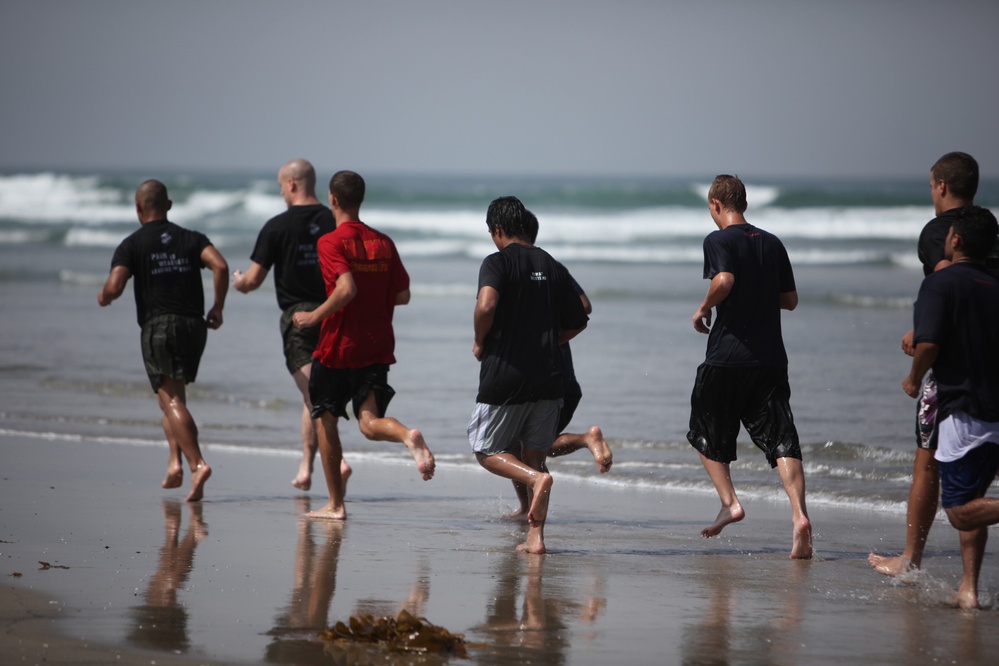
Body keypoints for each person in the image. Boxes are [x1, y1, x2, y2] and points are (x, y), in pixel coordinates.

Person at [292, 170, 435, 520]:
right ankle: (407, 435)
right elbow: (403, 294)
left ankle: (335, 505)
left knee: (325, 418)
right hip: (376, 344)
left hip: (338, 346)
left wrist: (313, 317)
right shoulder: (384, 242)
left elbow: (347, 289)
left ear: (333, 199)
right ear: (361, 199)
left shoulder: (330, 242)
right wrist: (375, 298)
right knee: (369, 422)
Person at [686, 175, 812, 559]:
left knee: (704, 430)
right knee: (783, 439)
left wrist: (704, 306)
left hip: (727, 357)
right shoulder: (773, 243)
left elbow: (724, 280)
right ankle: (799, 515)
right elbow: (790, 301)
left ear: (716, 204)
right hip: (770, 360)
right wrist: (758, 293)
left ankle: (730, 503)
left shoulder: (718, 240)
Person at [868, 152, 979, 577]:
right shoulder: (989, 230)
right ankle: (968, 582)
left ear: (942, 186)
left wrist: (925, 332)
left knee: (927, 459)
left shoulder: (940, 231)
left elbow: (948, 279)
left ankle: (910, 558)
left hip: (952, 365)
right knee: (975, 466)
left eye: (932, 186)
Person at [468, 196, 589, 554]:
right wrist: (546, 342)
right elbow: (580, 318)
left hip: (505, 374)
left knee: (486, 449)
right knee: (535, 454)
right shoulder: (551, 263)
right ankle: (535, 538)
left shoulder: (497, 262)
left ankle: (536, 479)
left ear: (498, 230)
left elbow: (486, 305)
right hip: (549, 377)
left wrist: (480, 341)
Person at [98, 180, 228, 502]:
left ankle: (197, 464)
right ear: (168, 205)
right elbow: (220, 265)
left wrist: (104, 296)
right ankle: (174, 463)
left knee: (171, 400)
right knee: (171, 397)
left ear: (138, 209)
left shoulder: (132, 244)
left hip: (159, 326)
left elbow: (115, 286)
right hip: (193, 326)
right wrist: (218, 307)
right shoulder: (191, 238)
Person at [900, 205, 999, 609]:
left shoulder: (940, 284)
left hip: (963, 408)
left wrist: (913, 378)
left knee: (959, 510)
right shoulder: (994, 283)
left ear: (955, 239)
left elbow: (929, 343)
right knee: (975, 499)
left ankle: (967, 587)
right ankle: (968, 590)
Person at [232, 158, 350, 492]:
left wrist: (239, 282)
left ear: (292, 184)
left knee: (315, 394)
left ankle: (339, 461)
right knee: (309, 394)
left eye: (281, 186)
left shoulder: (277, 226)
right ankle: (306, 467)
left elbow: (254, 280)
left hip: (299, 317)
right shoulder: (333, 220)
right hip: (334, 311)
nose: (281, 192)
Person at [507, 210, 611, 520]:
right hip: (563, 379)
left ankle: (585, 440)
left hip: (543, 378)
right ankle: (527, 509)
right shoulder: (552, 268)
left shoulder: (514, 270)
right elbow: (584, 305)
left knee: (521, 446)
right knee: (531, 446)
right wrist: (553, 332)